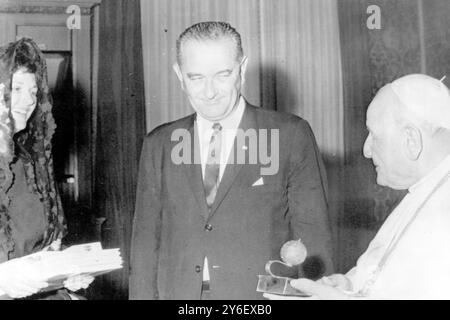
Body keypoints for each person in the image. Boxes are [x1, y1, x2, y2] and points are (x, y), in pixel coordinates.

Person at [130, 21, 334, 299]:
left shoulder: (289, 135)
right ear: (179, 75)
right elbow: (144, 246)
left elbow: (314, 239)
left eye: (223, 74)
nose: (210, 92)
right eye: (196, 77)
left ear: (243, 68)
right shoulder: (159, 144)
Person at [266, 74, 450, 300]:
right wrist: (347, 285)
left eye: (374, 135)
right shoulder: (422, 191)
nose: (366, 150)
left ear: (411, 139)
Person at [0, 38, 93, 299]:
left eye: (33, 92)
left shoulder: (30, 164)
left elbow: (45, 249)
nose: (27, 100)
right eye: (16, 89)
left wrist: (65, 271)